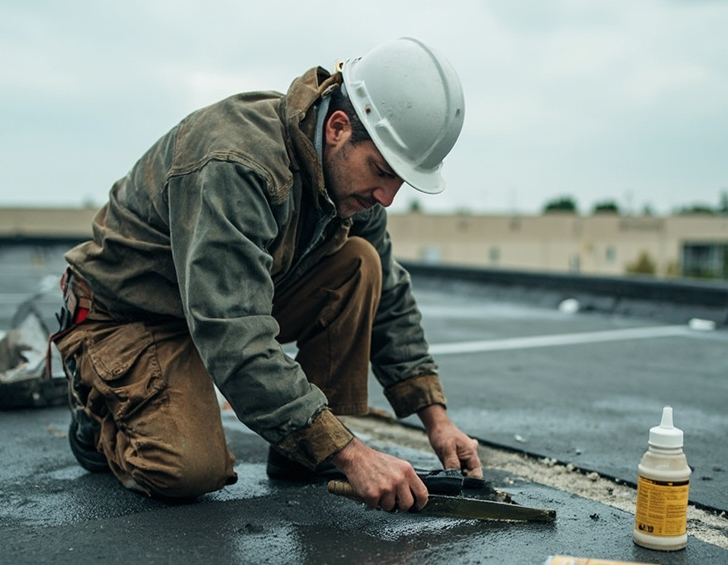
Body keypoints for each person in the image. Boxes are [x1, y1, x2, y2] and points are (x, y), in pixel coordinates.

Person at [52, 37, 481, 513]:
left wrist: (436, 420)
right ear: (338, 127)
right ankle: (98, 416)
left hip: (206, 303)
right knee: (187, 470)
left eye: (398, 181)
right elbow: (235, 332)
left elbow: (391, 302)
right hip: (129, 315)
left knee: (361, 263)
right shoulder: (235, 164)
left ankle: (306, 449)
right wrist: (354, 454)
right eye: (381, 171)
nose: (387, 197)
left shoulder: (350, 184)